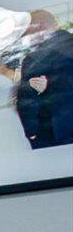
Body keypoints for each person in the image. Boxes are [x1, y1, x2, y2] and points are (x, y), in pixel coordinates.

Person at [16, 10, 73, 148]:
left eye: (28, 32)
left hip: (55, 132)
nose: (28, 37)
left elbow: (28, 101)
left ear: (39, 27)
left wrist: (31, 132)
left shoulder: (36, 58)